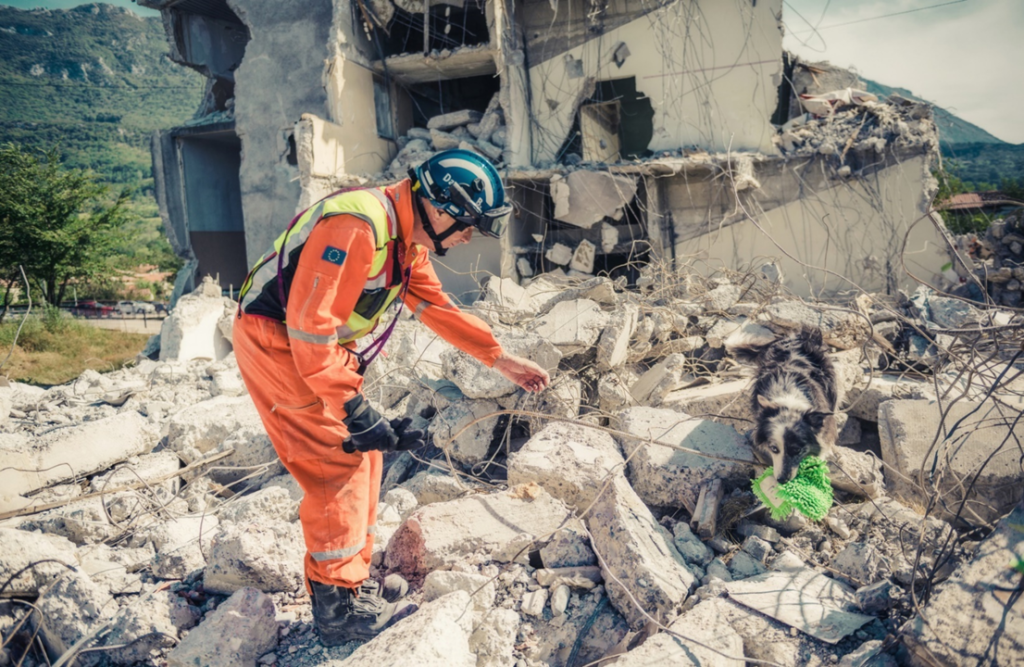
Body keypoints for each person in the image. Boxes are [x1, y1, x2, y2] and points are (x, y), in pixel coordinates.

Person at [233, 149, 550, 645]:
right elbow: (310, 328)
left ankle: (347, 587)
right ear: (440, 208)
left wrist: (500, 358)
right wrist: (353, 407)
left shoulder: (405, 243)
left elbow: (439, 309)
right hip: (278, 341)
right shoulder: (358, 227)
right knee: (337, 464)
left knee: (365, 456)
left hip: (310, 348)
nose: (468, 237)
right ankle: (336, 612)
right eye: (466, 225)